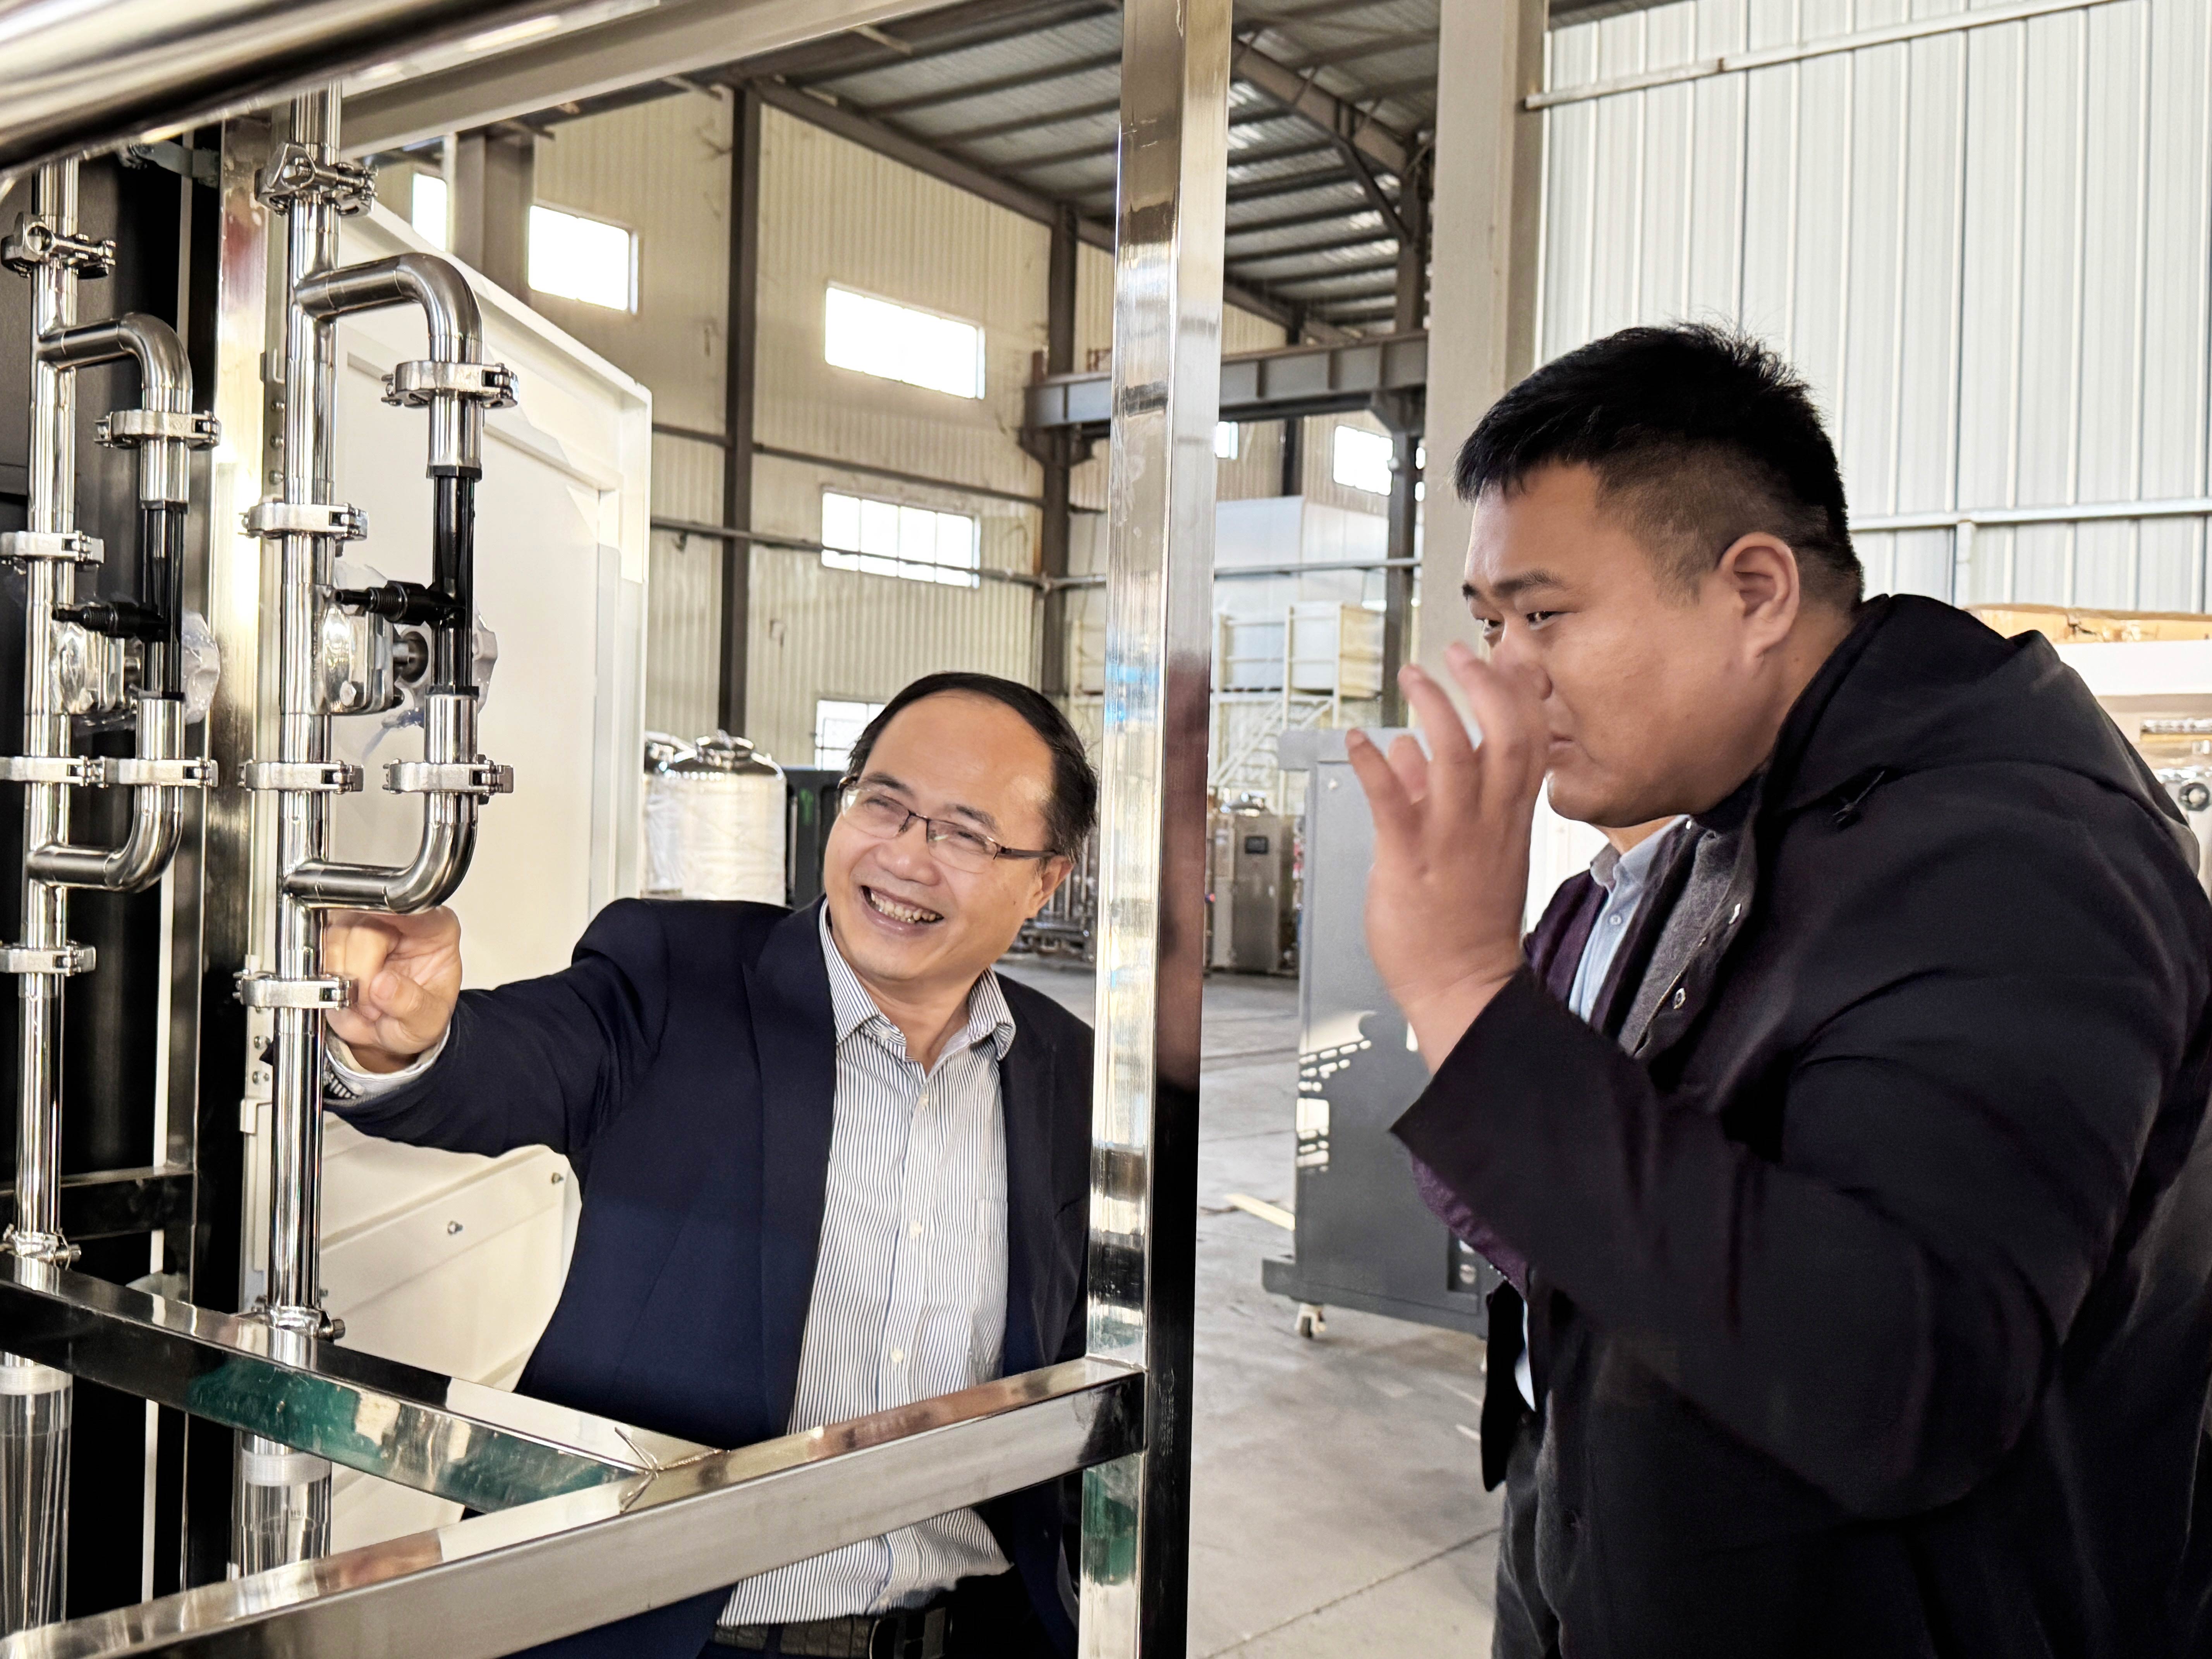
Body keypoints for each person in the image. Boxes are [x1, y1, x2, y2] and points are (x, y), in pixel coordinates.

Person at [1348, 323, 2212, 1658]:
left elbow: (1903, 1378)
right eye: (1488, 622)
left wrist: (1468, 990)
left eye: (1545, 614)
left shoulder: (2009, 859)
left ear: (1754, 589)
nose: (1508, 672)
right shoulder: (1742, 826)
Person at [321, 672, 1098, 1659]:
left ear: (1044, 882)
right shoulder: (674, 978)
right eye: (884, 804)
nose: (905, 857)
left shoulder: (1071, 1073)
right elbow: (506, 1064)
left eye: (964, 834)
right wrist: (405, 1037)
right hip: (672, 1638)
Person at [1409, 813, 1680, 1647]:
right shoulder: (1578, 903)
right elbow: (1454, 1146)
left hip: (1652, 1443)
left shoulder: (1736, 907)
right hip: (1541, 1419)